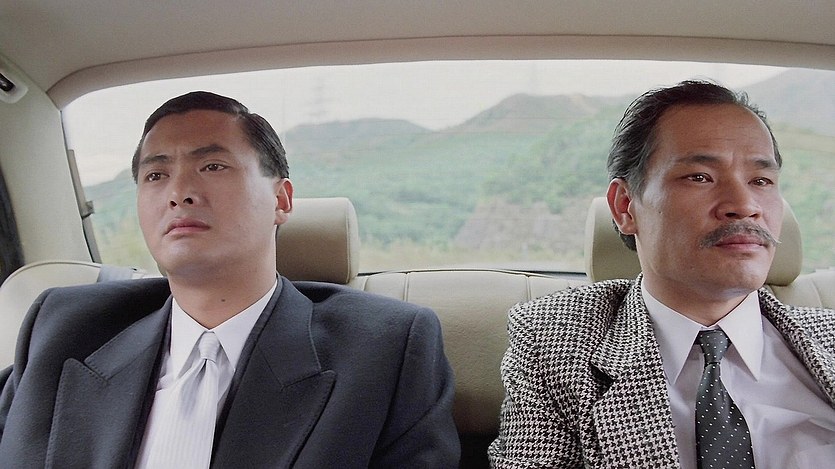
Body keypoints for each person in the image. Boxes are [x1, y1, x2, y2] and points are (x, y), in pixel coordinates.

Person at [0, 91, 459, 468]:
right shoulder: (65, 328)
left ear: (281, 200)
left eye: (212, 166)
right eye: (156, 174)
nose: (179, 193)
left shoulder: (387, 349)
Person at [488, 81, 835, 468]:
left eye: (761, 181)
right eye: (699, 177)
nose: (744, 204)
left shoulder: (827, 340)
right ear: (625, 206)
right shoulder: (557, 345)